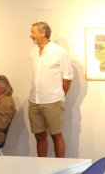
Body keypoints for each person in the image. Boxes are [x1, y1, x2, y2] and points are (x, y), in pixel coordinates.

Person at [28, 22, 73, 161]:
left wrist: (58, 95)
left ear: (42, 33)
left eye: (33, 32)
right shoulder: (32, 52)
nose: (30, 35)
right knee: (39, 136)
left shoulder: (59, 52)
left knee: (56, 136)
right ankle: (42, 168)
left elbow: (68, 77)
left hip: (53, 102)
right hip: (34, 101)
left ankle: (60, 169)